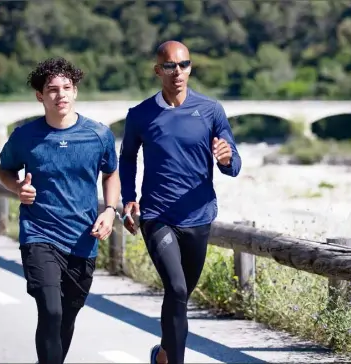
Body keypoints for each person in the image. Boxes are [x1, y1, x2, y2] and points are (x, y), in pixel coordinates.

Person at [119, 41, 242, 364]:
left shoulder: (211, 110)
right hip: (158, 215)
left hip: (199, 216)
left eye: (184, 65)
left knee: (181, 296)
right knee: (174, 289)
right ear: (157, 70)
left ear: (190, 67)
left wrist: (227, 159)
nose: (178, 72)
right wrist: (128, 200)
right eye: (170, 66)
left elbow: (233, 163)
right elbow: (128, 158)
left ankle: (163, 355)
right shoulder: (140, 115)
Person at [0, 57, 121, 364]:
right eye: (52, 89)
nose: (61, 95)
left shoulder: (98, 135)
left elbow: (111, 174)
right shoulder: (25, 137)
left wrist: (109, 211)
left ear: (75, 91)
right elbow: (5, 170)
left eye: (67, 87)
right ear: (40, 95)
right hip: (39, 233)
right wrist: (17, 188)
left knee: (67, 316)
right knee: (50, 310)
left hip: (82, 238)